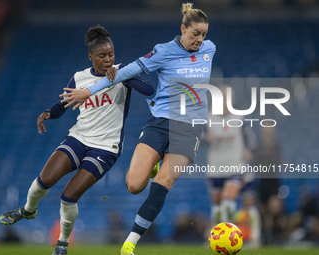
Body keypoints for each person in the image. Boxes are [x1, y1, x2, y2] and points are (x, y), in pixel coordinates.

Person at [60, 3, 215, 254]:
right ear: (183, 28)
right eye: (195, 33)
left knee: (163, 182)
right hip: (160, 123)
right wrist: (87, 91)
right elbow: (128, 71)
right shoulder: (163, 51)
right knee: (134, 185)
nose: (200, 39)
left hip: (190, 127)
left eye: (204, 34)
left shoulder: (210, 49)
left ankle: (130, 242)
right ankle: (154, 162)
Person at [0, 25, 154, 255]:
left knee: (68, 197)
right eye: (102, 56)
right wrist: (48, 113)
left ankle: (61, 243)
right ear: (90, 56)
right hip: (78, 138)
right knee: (45, 179)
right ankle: (28, 210)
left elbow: (149, 89)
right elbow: (64, 104)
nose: (108, 60)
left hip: (105, 148)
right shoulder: (79, 77)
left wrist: (120, 76)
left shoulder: (123, 73)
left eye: (111, 54)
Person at [202, 86, 257, 225]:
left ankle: (228, 233)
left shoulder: (240, 116)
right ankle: (216, 234)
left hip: (235, 165)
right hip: (215, 167)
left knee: (228, 200)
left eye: (228, 97)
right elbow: (197, 137)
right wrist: (206, 137)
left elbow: (251, 137)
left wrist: (249, 149)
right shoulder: (208, 117)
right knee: (217, 205)